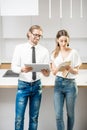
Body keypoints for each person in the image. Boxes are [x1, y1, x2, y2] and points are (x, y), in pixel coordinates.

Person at [11, 25, 50, 130]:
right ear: (29, 33)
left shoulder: (44, 51)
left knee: (34, 118)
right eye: (35, 35)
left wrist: (46, 72)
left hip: (37, 86)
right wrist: (22, 69)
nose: (37, 38)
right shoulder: (19, 48)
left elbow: (47, 73)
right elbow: (13, 67)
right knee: (19, 118)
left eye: (39, 36)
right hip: (23, 85)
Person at [50, 29, 82, 130]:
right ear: (57, 40)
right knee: (58, 115)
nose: (64, 43)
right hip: (58, 84)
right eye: (61, 41)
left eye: (65, 41)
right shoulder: (54, 54)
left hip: (70, 85)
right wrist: (57, 69)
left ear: (68, 40)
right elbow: (54, 72)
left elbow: (76, 71)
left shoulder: (74, 52)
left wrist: (70, 69)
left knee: (70, 114)